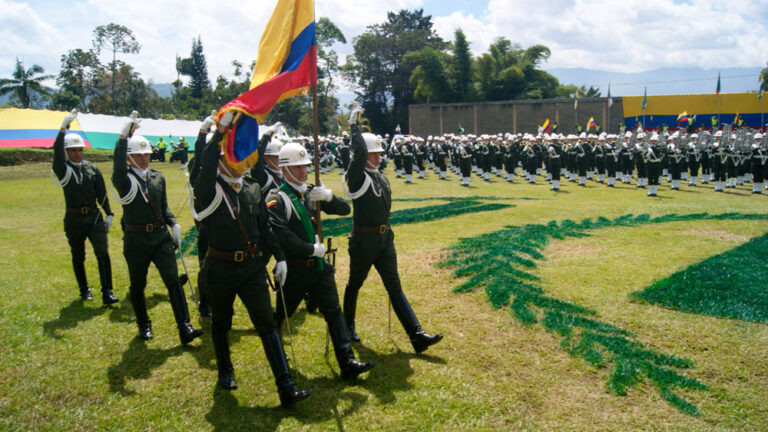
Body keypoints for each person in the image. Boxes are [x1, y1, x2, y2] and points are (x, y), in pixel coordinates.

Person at [194, 112, 308, 407]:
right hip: (220, 267)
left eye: (240, 158)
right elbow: (205, 164)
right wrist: (219, 131)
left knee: (267, 324)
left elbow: (265, 228)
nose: (237, 163)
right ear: (220, 159)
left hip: (252, 268)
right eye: (230, 158)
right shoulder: (208, 189)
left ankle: (285, 385)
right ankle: (225, 370)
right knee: (221, 323)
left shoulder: (252, 188)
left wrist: (280, 257)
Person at [266, 142, 375, 381]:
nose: (303, 172)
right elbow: (281, 233)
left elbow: (345, 210)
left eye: (305, 166)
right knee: (281, 315)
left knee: (334, 312)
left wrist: (329, 196)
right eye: (297, 168)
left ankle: (346, 362)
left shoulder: (311, 192)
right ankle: (276, 354)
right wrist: (308, 249)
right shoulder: (277, 198)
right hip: (294, 270)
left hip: (319, 269)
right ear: (284, 170)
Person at [341, 104, 443, 354]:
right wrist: (354, 128)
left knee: (395, 287)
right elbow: (356, 156)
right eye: (373, 154)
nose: (378, 157)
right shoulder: (357, 176)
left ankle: (416, 334)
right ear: (364, 155)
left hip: (385, 239)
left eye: (378, 153)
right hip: (364, 240)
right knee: (355, 283)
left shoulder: (381, 177)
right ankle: (347, 325)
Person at [111, 112, 203, 345]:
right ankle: (144, 324)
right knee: (138, 284)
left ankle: (185, 326)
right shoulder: (124, 180)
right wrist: (123, 137)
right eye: (139, 154)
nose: (145, 158)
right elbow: (117, 166)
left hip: (160, 237)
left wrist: (174, 223)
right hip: (137, 238)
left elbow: (163, 208)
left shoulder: (157, 177)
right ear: (130, 157)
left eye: (147, 154)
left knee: (173, 281)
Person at [51, 109, 118, 305]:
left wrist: (109, 213)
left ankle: (107, 291)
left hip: (93, 216)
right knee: (78, 255)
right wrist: (62, 129)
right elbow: (56, 155)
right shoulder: (63, 170)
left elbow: (101, 192)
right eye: (73, 150)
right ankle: (84, 290)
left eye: (80, 150)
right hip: (74, 219)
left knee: (102, 253)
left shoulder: (91, 168)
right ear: (67, 152)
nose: (77, 153)